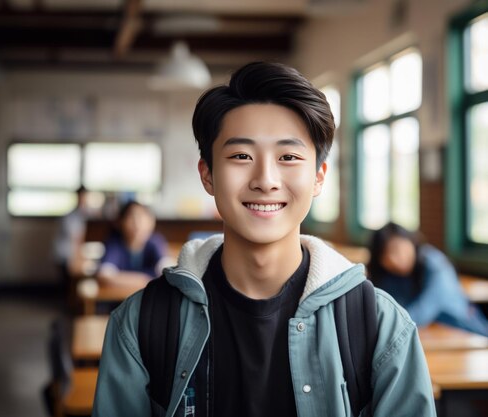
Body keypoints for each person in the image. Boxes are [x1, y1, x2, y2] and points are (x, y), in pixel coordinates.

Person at [93, 62, 436, 416]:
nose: (266, 179)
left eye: (288, 157)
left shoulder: (380, 325)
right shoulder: (140, 322)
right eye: (241, 156)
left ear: (319, 177)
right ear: (207, 174)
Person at [368, 222, 488, 337]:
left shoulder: (436, 265)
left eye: (397, 249)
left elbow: (423, 310)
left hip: (466, 330)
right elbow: (385, 309)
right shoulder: (390, 276)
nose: (394, 259)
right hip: (432, 335)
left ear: (411, 241)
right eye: (386, 255)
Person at [96, 200, 168, 288]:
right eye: (132, 218)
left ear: (151, 223)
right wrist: (145, 280)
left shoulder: (155, 241)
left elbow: (167, 270)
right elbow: (104, 275)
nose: (137, 224)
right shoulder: (114, 243)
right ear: (121, 222)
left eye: (142, 218)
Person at [53, 186, 89, 289]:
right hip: (65, 254)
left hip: (67, 253)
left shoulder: (80, 215)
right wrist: (80, 256)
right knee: (68, 284)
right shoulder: (73, 216)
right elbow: (76, 238)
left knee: (68, 284)